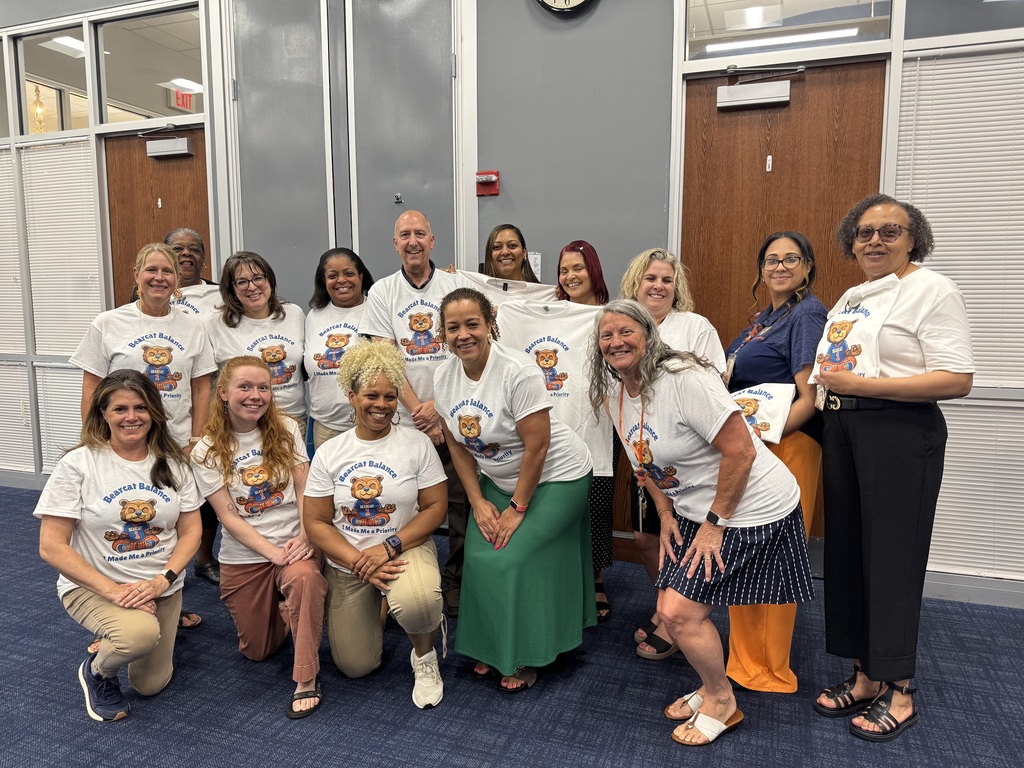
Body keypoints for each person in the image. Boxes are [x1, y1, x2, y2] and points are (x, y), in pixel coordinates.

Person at [589, 300, 813, 746]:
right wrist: (667, 512)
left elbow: (742, 451)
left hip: (749, 508)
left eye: (626, 331)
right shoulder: (617, 392)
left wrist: (714, 524)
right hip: (695, 509)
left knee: (678, 613)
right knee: (677, 616)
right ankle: (713, 686)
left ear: (649, 336)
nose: (616, 342)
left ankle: (721, 700)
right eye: (606, 336)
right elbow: (643, 460)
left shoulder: (684, 381)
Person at [811, 194, 973, 742]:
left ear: (913, 239)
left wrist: (864, 388)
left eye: (889, 231)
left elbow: (956, 379)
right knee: (850, 554)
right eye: (864, 232)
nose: (874, 240)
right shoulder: (852, 296)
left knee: (893, 560)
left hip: (900, 432)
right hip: (843, 427)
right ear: (850, 242)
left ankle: (899, 688)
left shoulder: (933, 289)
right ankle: (864, 675)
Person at [434, 287, 596, 692]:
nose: (463, 335)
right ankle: (493, 648)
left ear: (490, 323)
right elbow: (456, 442)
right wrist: (476, 500)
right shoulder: (443, 375)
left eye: (473, 324)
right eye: (453, 327)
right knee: (479, 554)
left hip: (559, 476)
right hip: (497, 479)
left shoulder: (518, 371)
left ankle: (525, 654)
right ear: (443, 333)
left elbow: (538, 446)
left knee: (512, 556)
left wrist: (517, 507)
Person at [36, 370, 202, 722]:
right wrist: (114, 593)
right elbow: (51, 547)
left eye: (141, 407)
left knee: (149, 685)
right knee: (138, 635)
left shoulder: (173, 463)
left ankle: (130, 629)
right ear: (103, 414)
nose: (131, 417)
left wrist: (162, 581)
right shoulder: (78, 465)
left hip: (161, 586)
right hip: (97, 587)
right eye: (120, 409)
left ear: (154, 412)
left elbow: (191, 533)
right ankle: (98, 671)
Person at [71, 243, 215, 625]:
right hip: (122, 442)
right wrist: (93, 439)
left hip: (173, 443)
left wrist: (196, 436)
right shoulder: (108, 324)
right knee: (120, 520)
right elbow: (92, 386)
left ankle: (168, 600)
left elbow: (201, 386)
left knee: (165, 523)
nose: (159, 278)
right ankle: (110, 610)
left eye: (167, 271)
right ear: (136, 276)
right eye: (151, 270)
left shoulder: (192, 325)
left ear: (177, 280)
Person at [304, 342, 447, 709]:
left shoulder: (416, 444)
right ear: (351, 396)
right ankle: (383, 604)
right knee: (357, 666)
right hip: (349, 562)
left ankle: (425, 657)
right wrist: (358, 560)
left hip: (403, 549)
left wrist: (387, 548)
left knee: (418, 603)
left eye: (389, 396)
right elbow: (316, 521)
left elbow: (434, 508)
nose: (381, 405)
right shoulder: (330, 452)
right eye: (371, 395)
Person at [720, 232, 828, 693]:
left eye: (790, 259)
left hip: (787, 447)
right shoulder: (765, 318)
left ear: (807, 266)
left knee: (775, 558)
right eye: (770, 259)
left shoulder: (806, 315)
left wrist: (768, 437)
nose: (779, 267)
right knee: (746, 554)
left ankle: (767, 669)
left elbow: (812, 396)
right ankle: (743, 660)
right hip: (755, 449)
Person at [190, 356, 327, 719]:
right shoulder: (206, 450)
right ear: (222, 393)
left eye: (263, 387)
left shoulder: (285, 427)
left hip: (295, 545)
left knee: (304, 577)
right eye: (245, 387)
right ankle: (296, 611)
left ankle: (306, 677)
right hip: (246, 555)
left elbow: (304, 489)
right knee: (258, 650)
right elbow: (228, 518)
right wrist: (273, 554)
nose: (255, 395)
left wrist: (305, 537)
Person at [359, 210, 470, 617]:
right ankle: (396, 578)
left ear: (433, 240)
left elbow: (471, 349)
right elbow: (385, 358)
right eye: (404, 234)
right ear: (394, 243)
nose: (413, 241)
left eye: (420, 233)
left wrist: (438, 409)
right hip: (404, 422)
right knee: (400, 501)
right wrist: (419, 411)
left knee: (460, 503)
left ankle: (457, 579)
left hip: (457, 419)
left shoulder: (455, 285)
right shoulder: (382, 293)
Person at [619, 248, 727, 658]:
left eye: (667, 280)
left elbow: (715, 380)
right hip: (646, 452)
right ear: (636, 284)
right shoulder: (623, 322)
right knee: (646, 537)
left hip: (689, 455)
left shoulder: (695, 326)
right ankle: (667, 606)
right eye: (651, 278)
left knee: (688, 536)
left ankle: (681, 615)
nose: (659, 286)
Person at [552, 239, 614, 621]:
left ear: (593, 270)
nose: (571, 276)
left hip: (601, 419)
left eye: (578, 267)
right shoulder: (548, 313)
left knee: (597, 500)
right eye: (564, 270)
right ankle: (562, 575)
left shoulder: (611, 314)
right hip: (555, 422)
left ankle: (595, 578)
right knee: (557, 501)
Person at [204, 251, 307, 435]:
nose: (252, 287)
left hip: (293, 422)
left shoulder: (294, 314)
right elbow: (205, 384)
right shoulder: (214, 325)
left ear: (270, 280)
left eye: (258, 278)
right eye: (242, 282)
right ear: (231, 289)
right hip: (242, 428)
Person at [305, 247, 375, 450]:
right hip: (325, 426)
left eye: (349, 273)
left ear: (361, 277)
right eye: (333, 275)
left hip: (370, 422)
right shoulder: (314, 315)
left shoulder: (377, 309)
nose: (341, 280)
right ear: (323, 281)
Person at [455, 223, 557, 305]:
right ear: (490, 255)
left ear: (524, 252)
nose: (505, 252)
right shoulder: (474, 293)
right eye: (497, 247)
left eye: (512, 246)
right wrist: (447, 277)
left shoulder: (545, 296)